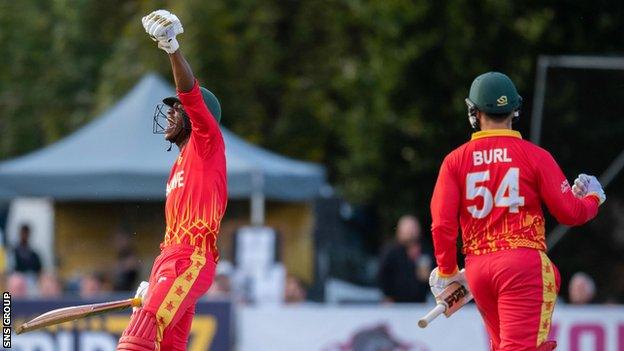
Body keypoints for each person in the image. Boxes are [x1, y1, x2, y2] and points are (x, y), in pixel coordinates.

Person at [429, 72, 606, 351]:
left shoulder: (455, 161)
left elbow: (442, 225)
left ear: (474, 112)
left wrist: (449, 272)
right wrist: (594, 197)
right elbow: (571, 213)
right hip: (523, 267)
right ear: (515, 110)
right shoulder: (534, 155)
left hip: (478, 270)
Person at [116, 9, 227, 351]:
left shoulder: (207, 142)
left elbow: (190, 93)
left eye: (176, 110)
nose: (170, 114)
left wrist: (171, 48)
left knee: (135, 339)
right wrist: (156, 279)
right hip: (172, 259)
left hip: (191, 258)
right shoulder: (180, 163)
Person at [377, 215, 431, 302]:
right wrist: (387, 295)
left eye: (413, 228)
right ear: (399, 231)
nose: (411, 232)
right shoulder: (391, 251)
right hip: (395, 302)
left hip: (420, 302)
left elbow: (431, 276)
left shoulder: (425, 251)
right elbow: (382, 275)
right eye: (408, 229)